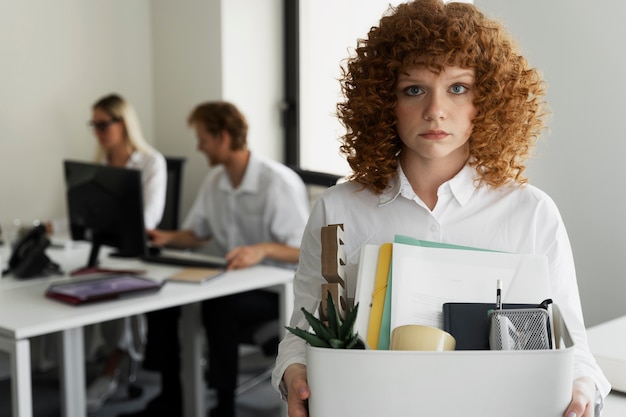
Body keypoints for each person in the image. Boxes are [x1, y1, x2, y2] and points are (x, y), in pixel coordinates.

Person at [272, 1, 611, 417]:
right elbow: (303, 334)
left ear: (485, 100)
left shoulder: (531, 212)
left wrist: (580, 392)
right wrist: (293, 372)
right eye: (414, 89)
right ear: (385, 102)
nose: (435, 110)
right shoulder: (338, 210)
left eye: (457, 88)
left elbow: (577, 356)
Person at [122, 101, 309, 417]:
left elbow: (305, 251)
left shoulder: (276, 183)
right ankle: (173, 394)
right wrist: (164, 237)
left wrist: (262, 249)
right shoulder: (215, 181)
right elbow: (197, 233)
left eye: (202, 138)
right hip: (234, 280)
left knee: (218, 307)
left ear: (222, 137)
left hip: (277, 289)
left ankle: (224, 405)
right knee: (166, 301)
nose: (198, 147)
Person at [84, 93, 167, 412]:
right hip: (104, 246)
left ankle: (110, 369)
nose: (98, 132)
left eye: (104, 124)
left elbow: (149, 219)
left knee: (112, 286)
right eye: (94, 125)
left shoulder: (150, 162)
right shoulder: (100, 164)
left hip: (136, 251)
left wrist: (106, 220)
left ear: (124, 123)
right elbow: (87, 213)